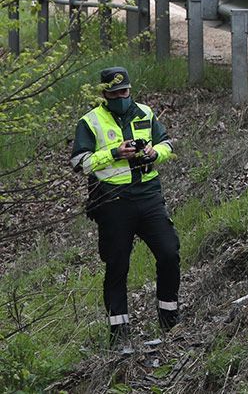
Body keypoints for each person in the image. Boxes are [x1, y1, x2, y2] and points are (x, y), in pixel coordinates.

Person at [70, 66, 179, 347]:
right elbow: (79, 162)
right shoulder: (90, 121)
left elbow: (167, 144)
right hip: (113, 201)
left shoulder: (145, 112)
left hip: (148, 196)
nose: (121, 97)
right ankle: (119, 335)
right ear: (105, 94)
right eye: (115, 93)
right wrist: (114, 153)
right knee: (117, 265)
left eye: (125, 92)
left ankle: (170, 321)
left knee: (169, 252)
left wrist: (155, 152)